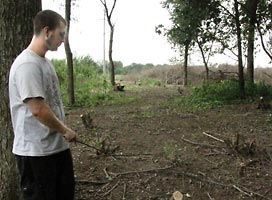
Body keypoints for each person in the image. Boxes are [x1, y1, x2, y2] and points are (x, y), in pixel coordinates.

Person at [9, 10, 77, 200]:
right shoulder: (27, 65)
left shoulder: (44, 63)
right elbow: (38, 110)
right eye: (61, 34)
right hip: (36, 152)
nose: (63, 39)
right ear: (47, 31)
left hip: (55, 148)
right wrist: (65, 130)